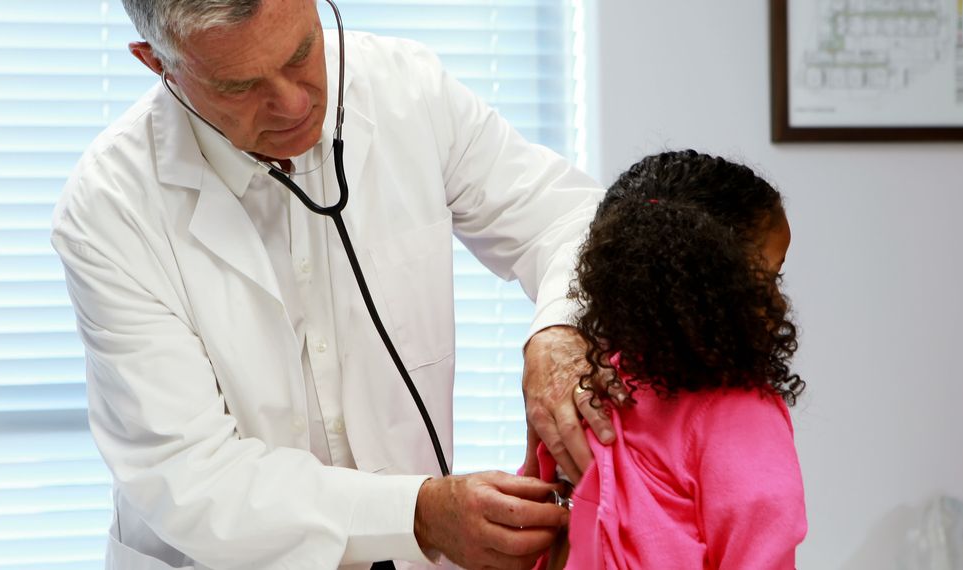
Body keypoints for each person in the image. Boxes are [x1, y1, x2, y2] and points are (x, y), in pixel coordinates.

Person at [50, 0, 616, 569]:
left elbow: (571, 219)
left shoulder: (406, 90)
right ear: (158, 65)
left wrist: (559, 329)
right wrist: (419, 513)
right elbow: (192, 478)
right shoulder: (110, 210)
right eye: (240, 86)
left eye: (302, 52)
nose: (294, 103)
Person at [535, 150, 808, 569]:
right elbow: (760, 550)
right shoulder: (741, 413)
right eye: (768, 276)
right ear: (716, 289)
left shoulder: (582, 391)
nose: (778, 300)